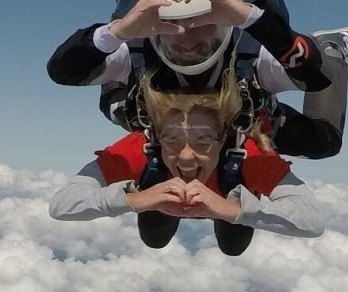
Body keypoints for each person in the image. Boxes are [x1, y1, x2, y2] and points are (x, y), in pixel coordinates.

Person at [47, 0, 348, 159]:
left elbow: (319, 76)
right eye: (171, 24)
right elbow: (63, 71)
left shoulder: (251, 52)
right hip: (168, 119)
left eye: (202, 23)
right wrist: (120, 30)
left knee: (324, 143)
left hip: (247, 121)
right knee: (120, 105)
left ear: (225, 22)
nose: (186, 39)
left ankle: (332, 45)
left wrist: (252, 19)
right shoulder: (137, 43)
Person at [48, 62, 324, 255]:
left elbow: (312, 221)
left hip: (229, 195)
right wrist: (138, 199)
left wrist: (227, 209)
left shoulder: (248, 154)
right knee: (154, 239)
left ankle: (330, 55)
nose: (186, 155)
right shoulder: (140, 147)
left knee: (233, 247)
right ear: (157, 136)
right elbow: (62, 205)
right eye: (171, 140)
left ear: (223, 138)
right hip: (168, 195)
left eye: (203, 141)